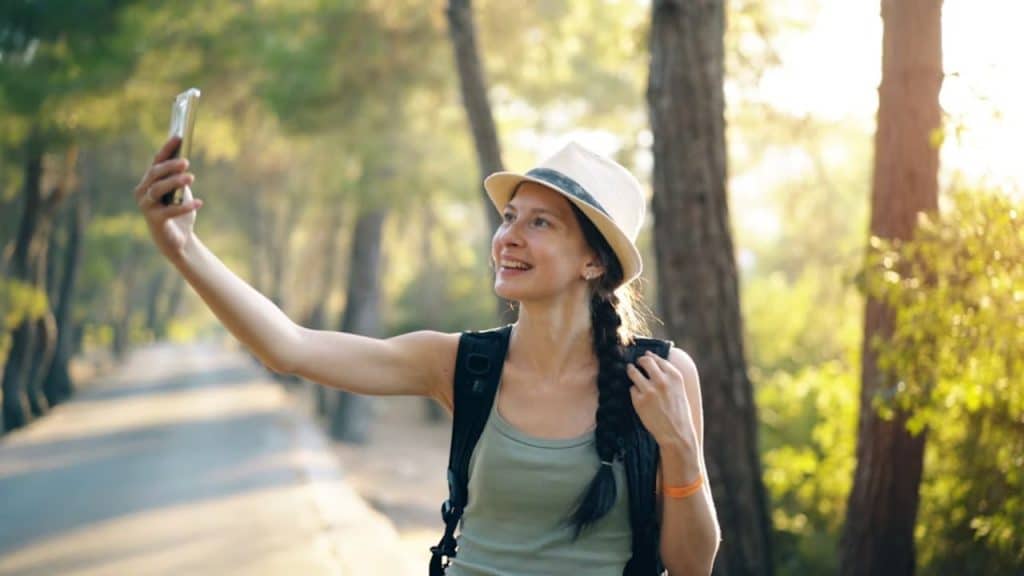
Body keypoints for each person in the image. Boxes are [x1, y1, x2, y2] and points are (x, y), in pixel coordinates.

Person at [134, 137, 721, 575]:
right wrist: (186, 251)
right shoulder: (462, 365)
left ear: (594, 262)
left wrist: (679, 446)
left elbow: (691, 565)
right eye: (509, 218)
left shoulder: (661, 377)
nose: (509, 237)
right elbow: (291, 346)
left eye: (540, 223)